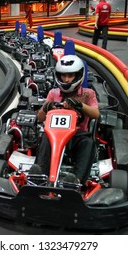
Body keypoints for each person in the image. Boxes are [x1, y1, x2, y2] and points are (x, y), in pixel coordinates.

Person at [34, 54, 100, 184]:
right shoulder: (53, 93)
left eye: (70, 75)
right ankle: (40, 174)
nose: (66, 79)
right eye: (63, 75)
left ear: (78, 75)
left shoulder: (88, 94)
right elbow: (40, 118)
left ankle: (75, 179)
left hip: (78, 135)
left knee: (88, 143)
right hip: (54, 134)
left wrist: (80, 105)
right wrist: (46, 107)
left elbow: (96, 114)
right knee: (45, 137)